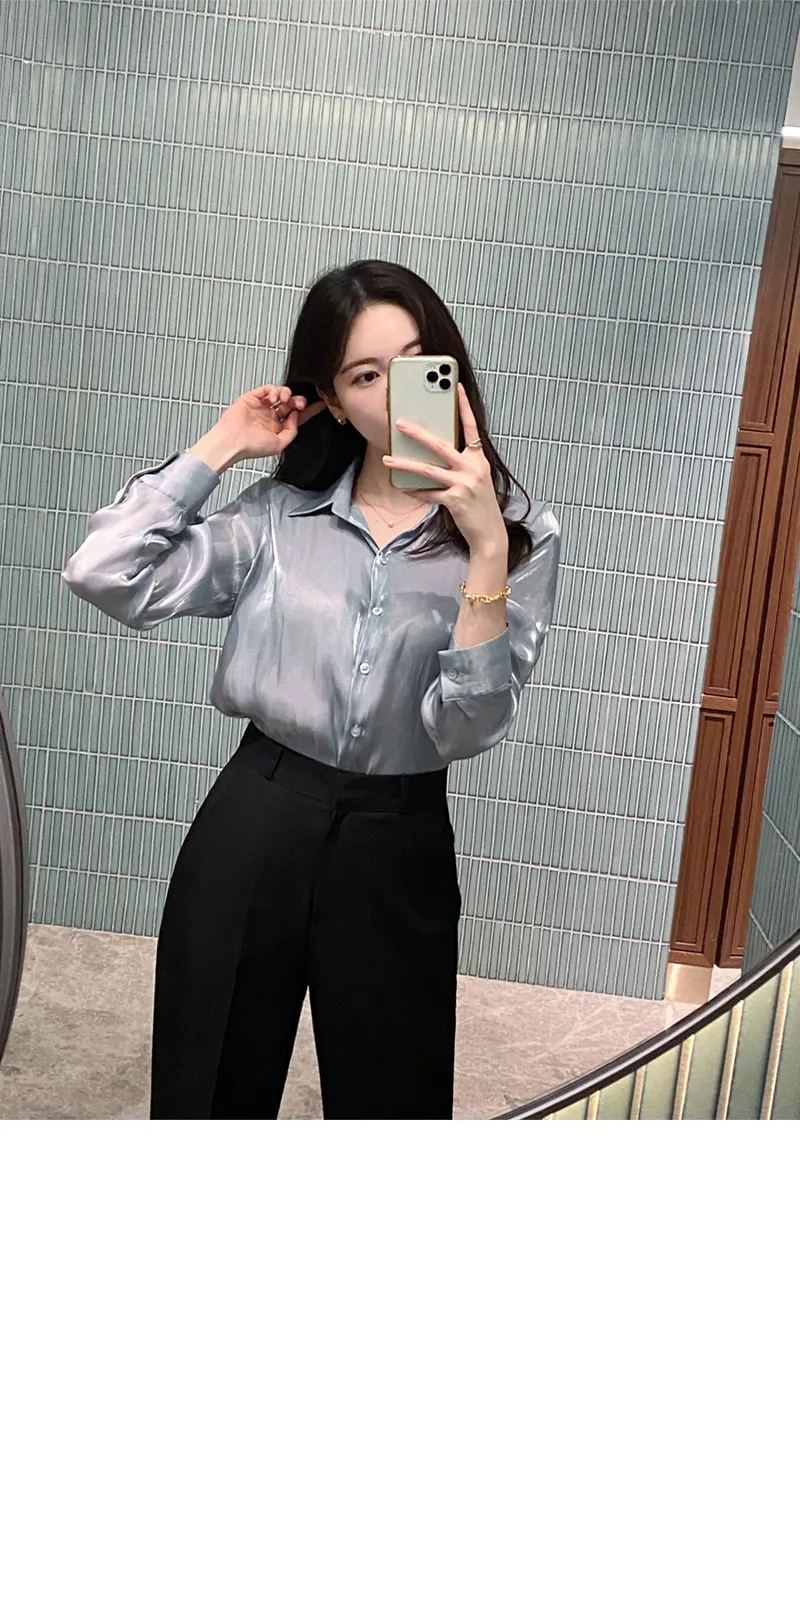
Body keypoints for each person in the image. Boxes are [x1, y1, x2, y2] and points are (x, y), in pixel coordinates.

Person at [62, 259, 560, 1120]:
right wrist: (222, 445)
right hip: (256, 818)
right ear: (329, 397)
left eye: (417, 363)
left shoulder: (520, 534)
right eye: (366, 376)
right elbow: (104, 573)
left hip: (398, 840)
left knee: (392, 1105)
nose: (398, 394)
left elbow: (467, 728)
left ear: (449, 367)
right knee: (209, 1091)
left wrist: (483, 551)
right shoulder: (274, 518)